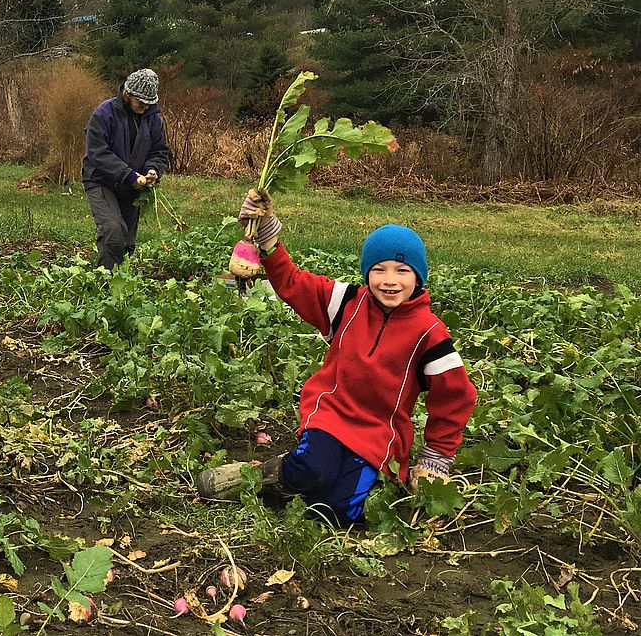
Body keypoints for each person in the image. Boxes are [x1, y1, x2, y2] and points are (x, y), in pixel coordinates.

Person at [198, 191, 477, 525]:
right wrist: (268, 237)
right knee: (310, 470)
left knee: (337, 513)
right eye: (379, 270)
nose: (390, 281)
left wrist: (437, 454)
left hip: (379, 435)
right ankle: (263, 477)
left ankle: (305, 488)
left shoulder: (430, 333)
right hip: (331, 415)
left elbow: (455, 396)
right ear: (366, 274)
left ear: (418, 276)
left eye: (402, 270)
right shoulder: (346, 303)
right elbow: (293, 283)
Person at [81, 68, 170, 271]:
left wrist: (153, 170)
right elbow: (98, 153)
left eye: (150, 103)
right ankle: (105, 286)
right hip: (101, 181)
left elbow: (159, 150)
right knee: (113, 230)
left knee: (127, 241)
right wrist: (129, 175)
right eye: (141, 102)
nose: (145, 107)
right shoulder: (104, 114)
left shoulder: (153, 119)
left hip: (133, 187)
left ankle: (121, 286)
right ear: (127, 94)